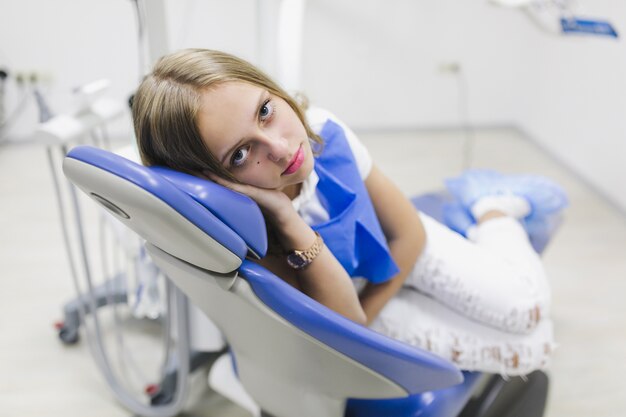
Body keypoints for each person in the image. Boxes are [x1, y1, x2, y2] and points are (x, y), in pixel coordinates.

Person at [132, 48, 567, 376]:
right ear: (212, 181)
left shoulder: (323, 130)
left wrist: (370, 313)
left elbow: (409, 234)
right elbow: (345, 322)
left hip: (390, 259)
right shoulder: (247, 233)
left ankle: (491, 206)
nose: (282, 150)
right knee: (531, 349)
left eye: (265, 111)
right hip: (356, 305)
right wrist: (287, 218)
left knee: (527, 307)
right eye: (242, 155)